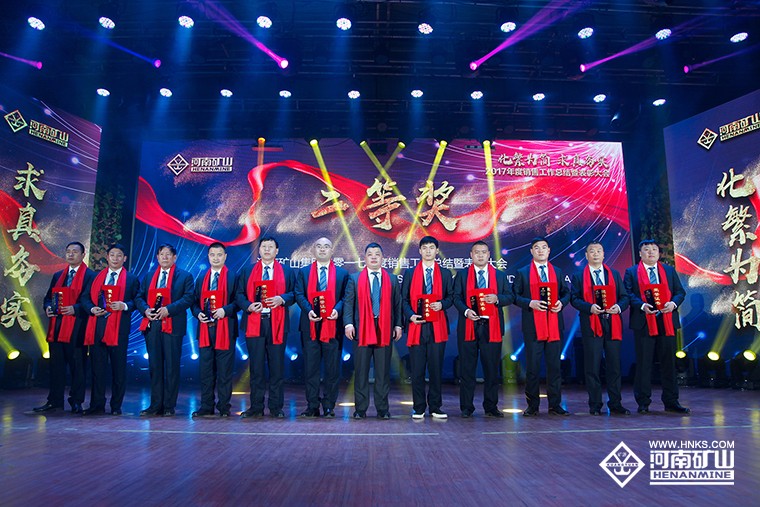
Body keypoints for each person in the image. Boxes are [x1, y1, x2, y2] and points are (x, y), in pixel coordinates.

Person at [623, 239, 689, 414]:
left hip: (666, 320)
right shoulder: (631, 272)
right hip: (644, 322)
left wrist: (673, 304)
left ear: (659, 253)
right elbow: (627, 294)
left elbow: (680, 292)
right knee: (644, 363)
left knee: (669, 363)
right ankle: (643, 402)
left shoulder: (668, 270)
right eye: (646, 249)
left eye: (654, 249)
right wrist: (642, 305)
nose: (651, 252)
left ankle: (671, 401)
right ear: (640, 253)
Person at [235, 236, 296, 418]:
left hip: (277, 323)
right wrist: (248, 306)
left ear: (277, 251)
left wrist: (281, 298)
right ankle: (256, 407)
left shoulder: (286, 271)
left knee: (277, 368)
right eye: (264, 247)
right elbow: (238, 294)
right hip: (254, 322)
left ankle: (276, 407)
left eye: (271, 247)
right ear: (259, 250)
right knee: (256, 368)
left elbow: (295, 293)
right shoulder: (248, 270)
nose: (267, 250)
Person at [453, 240, 513, 418]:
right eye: (476, 252)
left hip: (491, 327)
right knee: (467, 369)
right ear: (471, 255)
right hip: (469, 326)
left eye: (483, 252)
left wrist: (497, 298)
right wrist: (466, 311)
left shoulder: (499, 276)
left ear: (489, 255)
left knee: (492, 369)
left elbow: (510, 296)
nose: (480, 255)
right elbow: (456, 297)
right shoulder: (462, 275)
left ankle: (491, 406)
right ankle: (466, 407)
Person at [34, 241, 95, 414]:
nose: (71, 254)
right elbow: (48, 297)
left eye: (75, 251)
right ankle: (54, 401)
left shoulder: (90, 276)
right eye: (68, 251)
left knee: (78, 366)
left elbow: (91, 300)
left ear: (83, 255)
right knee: (56, 366)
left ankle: (76, 401)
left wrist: (75, 308)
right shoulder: (58, 275)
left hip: (77, 327)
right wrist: (47, 307)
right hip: (57, 326)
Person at [570, 242, 630, 416]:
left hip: (612, 323)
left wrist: (618, 307)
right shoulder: (579, 276)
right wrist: (589, 307)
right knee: (592, 366)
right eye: (592, 251)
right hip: (591, 323)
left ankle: (616, 403)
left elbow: (624, 297)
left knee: (614, 366)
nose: (595, 254)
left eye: (599, 251)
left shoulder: (614, 274)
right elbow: (574, 299)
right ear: (586, 255)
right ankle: (595, 404)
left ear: (604, 254)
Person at [513, 237, 571, 416]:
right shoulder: (523, 272)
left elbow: (566, 293)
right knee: (533, 368)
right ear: (531, 251)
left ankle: (555, 405)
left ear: (549, 250)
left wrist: (562, 302)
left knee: (554, 367)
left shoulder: (557, 271)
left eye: (544, 247)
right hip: (533, 326)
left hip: (554, 325)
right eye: (536, 248)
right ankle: (532, 405)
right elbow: (514, 296)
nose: (540, 251)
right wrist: (530, 303)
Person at [344, 243, 402, 419]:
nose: (374, 257)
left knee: (382, 372)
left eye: (377, 254)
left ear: (383, 258)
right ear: (365, 258)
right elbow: (348, 303)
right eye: (370, 254)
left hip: (384, 329)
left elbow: (397, 305)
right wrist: (348, 324)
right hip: (361, 330)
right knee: (361, 372)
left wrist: (398, 325)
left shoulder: (392, 279)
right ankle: (360, 409)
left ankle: (382, 409)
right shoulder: (354, 279)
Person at [135, 243, 194, 416]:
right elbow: (139, 296)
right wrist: (145, 310)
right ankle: (155, 405)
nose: (165, 257)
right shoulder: (149, 276)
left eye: (168, 254)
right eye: (162, 254)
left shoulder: (185, 276)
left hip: (173, 325)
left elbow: (188, 298)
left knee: (171, 367)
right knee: (155, 366)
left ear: (175, 257)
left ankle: (169, 406)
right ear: (157, 257)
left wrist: (169, 309)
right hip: (153, 325)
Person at [82, 243, 140, 416]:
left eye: (119, 255)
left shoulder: (131, 279)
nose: (115, 258)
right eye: (112, 255)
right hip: (98, 326)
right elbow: (85, 298)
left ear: (125, 258)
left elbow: (137, 301)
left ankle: (116, 406)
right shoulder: (96, 277)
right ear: (107, 257)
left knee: (118, 369)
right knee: (97, 368)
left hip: (119, 329)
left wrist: (124, 305)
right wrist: (91, 308)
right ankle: (96, 404)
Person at [294, 237, 349, 418]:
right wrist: (309, 310)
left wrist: (337, 310)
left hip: (333, 326)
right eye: (319, 246)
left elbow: (346, 297)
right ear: (314, 250)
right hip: (310, 326)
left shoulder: (342, 273)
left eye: (326, 246)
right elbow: (298, 293)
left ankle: (329, 406)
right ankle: (312, 406)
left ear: (332, 251)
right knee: (311, 369)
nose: (323, 249)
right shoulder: (304, 272)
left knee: (332, 370)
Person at [401, 236, 454, 419]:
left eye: (432, 247)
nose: (428, 251)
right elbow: (403, 299)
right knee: (417, 370)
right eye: (425, 248)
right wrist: (410, 315)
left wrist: (442, 304)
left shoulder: (445, 273)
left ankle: (435, 407)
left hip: (437, 326)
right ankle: (418, 407)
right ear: (420, 251)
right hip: (417, 326)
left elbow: (451, 297)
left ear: (437, 251)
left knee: (435, 369)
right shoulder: (410, 273)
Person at [191, 242, 239, 418]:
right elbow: (194, 303)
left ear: (225, 256)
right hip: (205, 330)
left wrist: (225, 310)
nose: (216, 258)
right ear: (208, 256)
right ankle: (206, 406)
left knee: (225, 372)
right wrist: (198, 314)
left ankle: (224, 407)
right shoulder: (201, 279)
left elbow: (239, 301)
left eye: (219, 254)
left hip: (226, 329)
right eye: (212, 254)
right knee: (206, 371)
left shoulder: (233, 277)